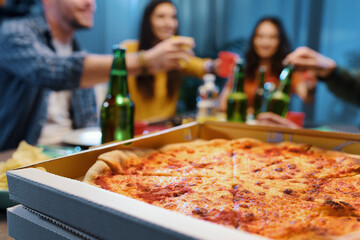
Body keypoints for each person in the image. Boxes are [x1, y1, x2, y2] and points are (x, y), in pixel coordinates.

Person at [0, 0, 194, 150]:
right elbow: (53, 71)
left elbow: (88, 122)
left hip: (70, 153)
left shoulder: (77, 48)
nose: (90, 3)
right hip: (19, 158)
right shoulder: (14, 32)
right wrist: (145, 61)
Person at [120, 0, 217, 122]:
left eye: (173, 17)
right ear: (148, 21)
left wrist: (215, 66)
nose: (169, 24)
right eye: (161, 17)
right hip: (136, 130)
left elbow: (200, 66)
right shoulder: (129, 49)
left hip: (166, 129)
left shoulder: (177, 55)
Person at [218, 16, 316, 116]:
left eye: (272, 37)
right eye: (260, 36)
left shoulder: (287, 72)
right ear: (253, 39)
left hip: (273, 128)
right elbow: (222, 106)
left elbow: (307, 98)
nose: (265, 42)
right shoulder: (243, 70)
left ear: (280, 41)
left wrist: (311, 85)